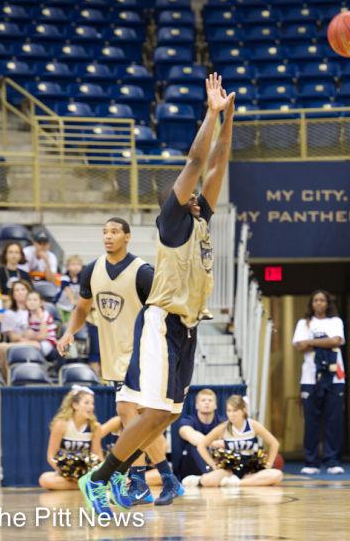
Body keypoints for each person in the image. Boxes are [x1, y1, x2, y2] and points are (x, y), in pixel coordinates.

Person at [77, 73, 235, 517]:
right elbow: (199, 160)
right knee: (150, 413)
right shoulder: (173, 219)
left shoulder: (201, 220)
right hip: (162, 322)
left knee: (164, 416)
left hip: (186, 328)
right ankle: (101, 478)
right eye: (192, 192)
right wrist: (210, 113)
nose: (200, 193)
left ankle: (120, 476)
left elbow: (220, 164)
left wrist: (230, 119)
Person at [56, 217, 165, 506]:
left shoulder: (143, 272)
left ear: (127, 237)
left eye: (114, 231)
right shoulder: (92, 270)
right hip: (113, 358)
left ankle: (138, 480)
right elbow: (81, 309)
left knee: (135, 418)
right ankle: (160, 479)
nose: (108, 236)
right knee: (141, 422)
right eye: (104, 232)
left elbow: (161, 314)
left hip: (141, 357)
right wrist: (68, 333)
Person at [292, 290, 346, 475]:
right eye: (316, 300)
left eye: (322, 300)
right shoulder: (303, 323)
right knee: (311, 420)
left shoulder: (336, 321)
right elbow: (299, 346)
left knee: (333, 420)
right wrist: (325, 341)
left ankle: (332, 461)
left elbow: (337, 341)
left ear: (328, 303)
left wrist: (311, 341)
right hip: (309, 378)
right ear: (311, 303)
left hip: (335, 378)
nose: (319, 303)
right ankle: (311, 462)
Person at [182, 395, 283, 488]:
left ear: (243, 410)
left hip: (250, 469)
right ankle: (198, 480)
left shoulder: (253, 425)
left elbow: (274, 443)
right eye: (229, 411)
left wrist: (268, 464)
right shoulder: (223, 427)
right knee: (209, 480)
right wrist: (212, 464)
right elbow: (202, 445)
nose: (231, 414)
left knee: (277, 475)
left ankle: (237, 483)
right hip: (230, 470)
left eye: (235, 411)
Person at [39, 387, 104, 490]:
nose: (91, 407)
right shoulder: (61, 424)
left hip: (86, 472)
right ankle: (86, 486)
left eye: (92, 403)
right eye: (86, 403)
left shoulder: (95, 427)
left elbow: (98, 455)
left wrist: (96, 472)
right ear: (75, 405)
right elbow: (51, 456)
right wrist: (66, 472)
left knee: (104, 476)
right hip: (65, 473)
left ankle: (84, 484)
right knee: (44, 479)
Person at [177, 388, 226, 480]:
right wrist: (214, 443)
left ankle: (218, 474)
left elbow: (227, 441)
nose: (206, 403)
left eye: (210, 400)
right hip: (191, 466)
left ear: (215, 405)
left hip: (215, 460)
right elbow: (188, 434)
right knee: (196, 446)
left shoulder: (223, 423)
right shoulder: (187, 421)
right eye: (203, 400)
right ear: (196, 405)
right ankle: (212, 475)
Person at [0, 280, 34, 372]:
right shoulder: (9, 314)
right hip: (18, 343)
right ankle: (6, 381)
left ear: (28, 291)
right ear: (13, 294)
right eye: (17, 290)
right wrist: (26, 335)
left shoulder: (36, 310)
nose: (20, 292)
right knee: (1, 348)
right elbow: (13, 338)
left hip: (36, 343)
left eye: (23, 289)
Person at [25, 290, 57, 358]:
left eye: (35, 300)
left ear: (41, 302)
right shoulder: (27, 315)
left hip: (47, 342)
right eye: (29, 300)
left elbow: (42, 336)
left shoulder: (44, 315)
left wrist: (29, 337)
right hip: (33, 341)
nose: (31, 302)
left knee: (26, 345)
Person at [55, 255, 83, 323]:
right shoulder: (65, 277)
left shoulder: (81, 278)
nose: (76, 267)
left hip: (71, 307)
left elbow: (82, 291)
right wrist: (73, 301)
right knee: (60, 322)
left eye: (78, 264)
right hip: (60, 305)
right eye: (73, 264)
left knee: (69, 323)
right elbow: (67, 289)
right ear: (67, 267)